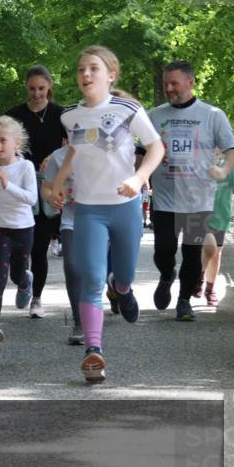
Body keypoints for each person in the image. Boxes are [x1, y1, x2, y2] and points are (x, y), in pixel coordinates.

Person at [50, 46, 163, 382]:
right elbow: (73, 149)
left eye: (93, 69)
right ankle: (93, 351)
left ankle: (123, 288)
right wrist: (57, 181)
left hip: (125, 206)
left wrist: (139, 177)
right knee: (91, 278)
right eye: (81, 69)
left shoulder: (128, 109)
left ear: (111, 75)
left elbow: (156, 146)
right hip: (87, 209)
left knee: (123, 275)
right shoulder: (70, 115)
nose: (86, 74)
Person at [147, 60, 234, 321]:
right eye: (166, 83)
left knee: (191, 253)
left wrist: (223, 171)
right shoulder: (155, 115)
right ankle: (167, 275)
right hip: (165, 199)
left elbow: (233, 148)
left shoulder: (212, 115)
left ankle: (184, 301)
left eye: (174, 83)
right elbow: (141, 152)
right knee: (163, 251)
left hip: (199, 199)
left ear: (191, 82)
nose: (169, 88)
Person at [6, 66, 67, 319]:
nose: (37, 93)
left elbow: (74, 145)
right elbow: (5, 147)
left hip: (52, 183)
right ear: (26, 87)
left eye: (41, 88)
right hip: (22, 183)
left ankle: (37, 297)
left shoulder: (61, 114)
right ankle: (22, 279)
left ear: (49, 87)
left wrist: (54, 156)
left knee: (40, 245)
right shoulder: (15, 116)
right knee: (20, 246)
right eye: (32, 88)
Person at [0, 116, 38, 348]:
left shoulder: (25, 166)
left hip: (23, 230)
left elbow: (31, 199)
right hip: (0, 229)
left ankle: (26, 282)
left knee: (17, 275)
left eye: (3, 140)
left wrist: (8, 185)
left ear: (16, 142)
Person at [41, 142, 84, 344]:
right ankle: (79, 323)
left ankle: (119, 286)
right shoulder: (57, 156)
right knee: (72, 267)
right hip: (72, 220)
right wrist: (51, 198)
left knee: (97, 273)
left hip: (103, 219)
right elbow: (46, 188)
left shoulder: (105, 149)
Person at [201, 153, 234, 307]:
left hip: (220, 218)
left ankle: (209, 289)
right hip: (199, 217)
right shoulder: (197, 166)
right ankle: (198, 278)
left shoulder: (229, 169)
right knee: (209, 248)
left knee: (216, 254)